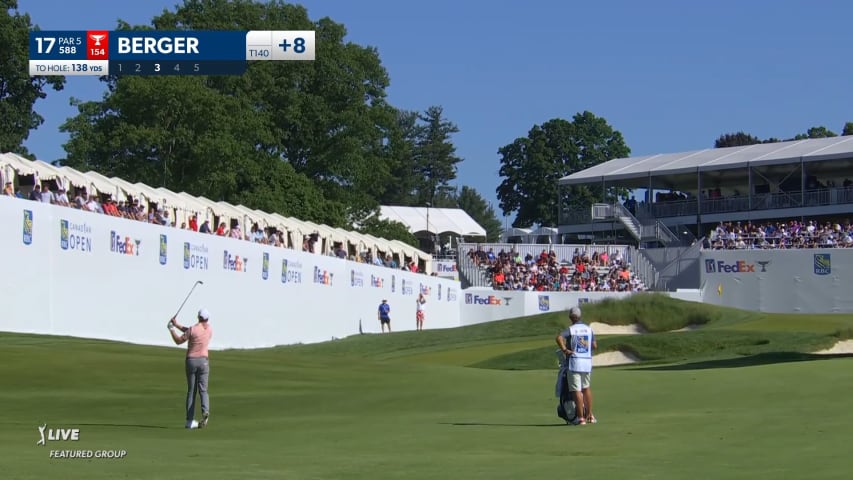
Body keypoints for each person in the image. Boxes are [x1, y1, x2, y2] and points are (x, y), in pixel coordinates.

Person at [168, 308, 213, 429]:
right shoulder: (209, 329)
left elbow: (179, 340)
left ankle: (189, 421)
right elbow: (190, 332)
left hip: (191, 361)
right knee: (203, 390)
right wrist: (177, 324)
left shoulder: (193, 329)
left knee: (191, 391)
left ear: (198, 317)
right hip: (204, 362)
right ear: (207, 319)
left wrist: (171, 329)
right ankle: (205, 411)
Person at [555, 306, 597, 425]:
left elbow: (558, 338)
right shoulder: (588, 329)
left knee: (576, 390)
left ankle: (580, 418)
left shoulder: (571, 329)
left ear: (570, 317)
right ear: (580, 316)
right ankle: (590, 416)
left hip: (574, 363)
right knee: (586, 388)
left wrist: (564, 349)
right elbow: (594, 345)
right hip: (587, 362)